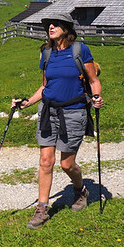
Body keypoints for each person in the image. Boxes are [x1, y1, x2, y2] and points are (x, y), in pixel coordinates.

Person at [12, 12, 103, 230]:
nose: (50, 27)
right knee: (46, 161)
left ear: (66, 28)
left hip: (73, 112)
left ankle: (81, 190)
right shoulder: (47, 53)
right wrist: (26, 103)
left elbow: (93, 80)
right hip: (48, 112)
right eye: (48, 25)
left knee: (66, 163)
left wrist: (97, 98)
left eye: (55, 24)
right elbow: (45, 86)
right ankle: (42, 209)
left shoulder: (80, 51)